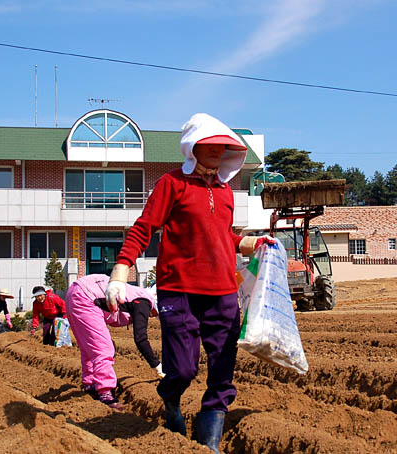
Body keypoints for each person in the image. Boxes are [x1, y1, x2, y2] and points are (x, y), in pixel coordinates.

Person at [105, 113, 275, 453]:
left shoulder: (226, 191)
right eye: (209, 145)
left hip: (223, 293)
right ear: (193, 147)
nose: (217, 151)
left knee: (222, 373)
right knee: (182, 370)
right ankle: (171, 398)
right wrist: (120, 273)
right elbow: (143, 229)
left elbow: (224, 237)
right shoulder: (172, 184)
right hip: (178, 289)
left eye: (223, 147)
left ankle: (207, 444)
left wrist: (255, 243)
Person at [66, 273, 162, 410]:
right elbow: (141, 339)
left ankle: (90, 384)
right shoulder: (143, 302)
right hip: (86, 295)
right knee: (104, 349)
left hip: (75, 293)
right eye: (155, 314)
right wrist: (158, 366)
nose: (152, 316)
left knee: (89, 346)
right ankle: (105, 392)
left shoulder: (135, 293)